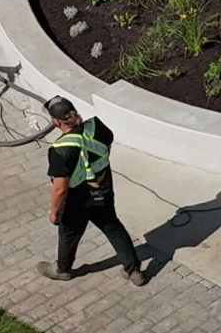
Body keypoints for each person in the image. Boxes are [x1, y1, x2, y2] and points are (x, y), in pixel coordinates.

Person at [40, 97, 149, 285]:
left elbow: (60, 188)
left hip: (77, 202)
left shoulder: (59, 150)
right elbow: (107, 146)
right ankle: (134, 270)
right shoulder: (96, 127)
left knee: (69, 234)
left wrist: (54, 213)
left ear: (56, 121)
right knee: (113, 227)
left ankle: (62, 269)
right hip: (102, 191)